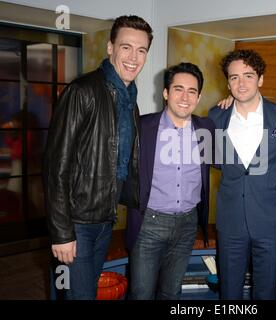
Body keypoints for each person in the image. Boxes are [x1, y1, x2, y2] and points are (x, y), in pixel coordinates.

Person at [43, 15, 153, 300]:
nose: (134, 57)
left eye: (141, 50)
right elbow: (56, 166)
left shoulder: (130, 99)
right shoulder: (83, 91)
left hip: (105, 219)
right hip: (77, 223)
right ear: (110, 48)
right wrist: (61, 232)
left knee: (87, 293)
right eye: (126, 47)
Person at [126, 62, 215, 300]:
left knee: (171, 292)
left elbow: (227, 160)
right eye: (178, 89)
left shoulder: (206, 128)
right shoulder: (143, 127)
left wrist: (231, 104)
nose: (185, 97)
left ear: (198, 97)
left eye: (192, 91)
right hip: (149, 224)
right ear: (165, 93)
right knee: (141, 293)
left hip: (187, 223)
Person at [209, 49, 276, 300]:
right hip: (230, 221)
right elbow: (213, 161)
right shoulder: (215, 116)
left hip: (270, 222)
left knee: (267, 293)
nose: (241, 83)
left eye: (248, 75)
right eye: (234, 78)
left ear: (261, 79)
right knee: (229, 293)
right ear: (228, 83)